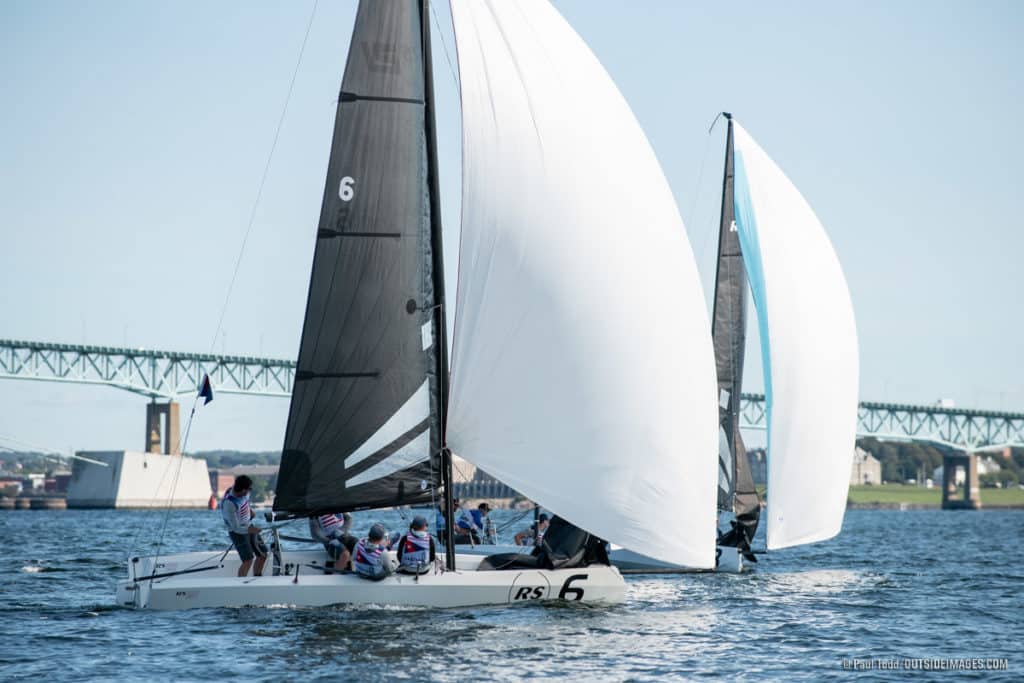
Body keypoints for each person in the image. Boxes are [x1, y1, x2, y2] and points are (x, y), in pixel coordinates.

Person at [220, 475, 268, 577]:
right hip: (237, 532)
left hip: (249, 525)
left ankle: (257, 577)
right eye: (249, 489)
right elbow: (235, 528)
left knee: (263, 555)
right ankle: (241, 583)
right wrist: (250, 530)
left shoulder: (245, 493)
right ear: (242, 490)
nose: (250, 491)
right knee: (248, 560)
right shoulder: (229, 503)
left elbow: (245, 502)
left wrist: (250, 511)